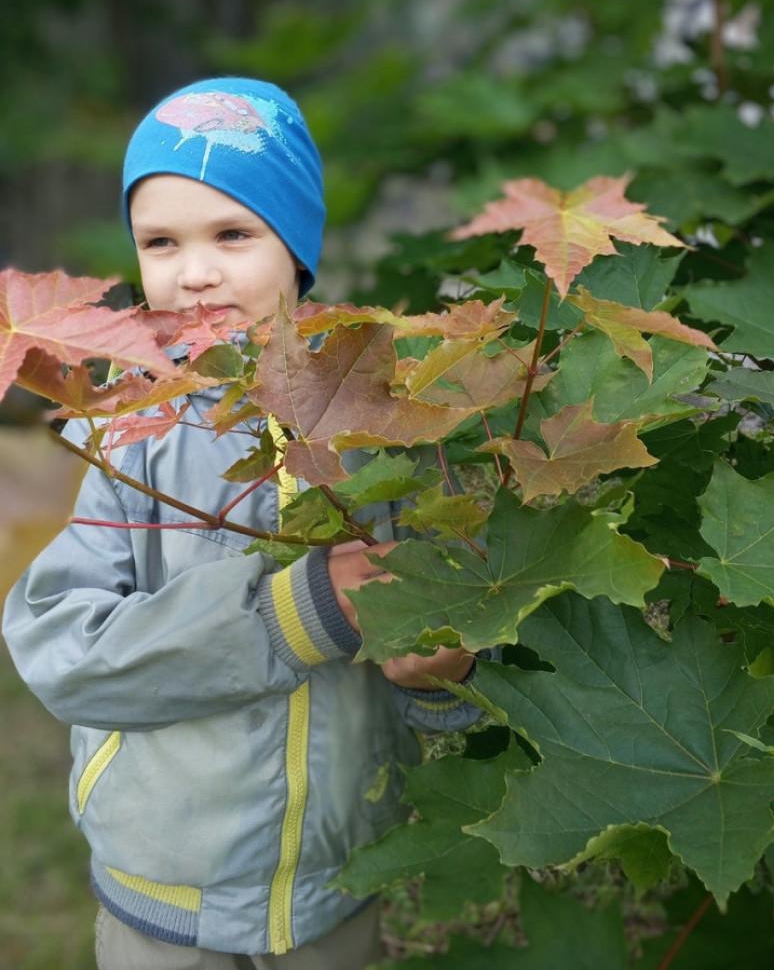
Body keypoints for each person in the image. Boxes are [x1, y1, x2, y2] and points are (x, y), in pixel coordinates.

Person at [2, 77, 482, 970]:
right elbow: (64, 646)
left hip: (335, 876)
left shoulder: (377, 413)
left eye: (232, 233)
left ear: (296, 246)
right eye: (161, 241)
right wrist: (291, 614)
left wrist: (440, 681)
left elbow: (428, 610)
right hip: (164, 886)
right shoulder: (128, 436)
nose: (194, 271)